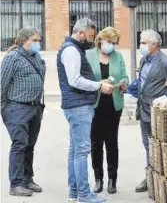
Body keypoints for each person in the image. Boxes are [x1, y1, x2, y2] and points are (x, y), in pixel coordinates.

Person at [57, 18, 112, 203]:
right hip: (79, 106)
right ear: (80, 33)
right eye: (89, 35)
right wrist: (98, 85)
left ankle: (74, 193)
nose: (91, 39)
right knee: (81, 152)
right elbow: (74, 80)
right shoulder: (71, 50)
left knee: (75, 151)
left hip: (76, 105)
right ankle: (84, 195)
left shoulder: (72, 48)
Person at [1, 28, 45, 196]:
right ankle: (16, 183)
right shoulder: (12, 58)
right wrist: (4, 107)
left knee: (29, 145)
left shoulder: (36, 56)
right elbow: (1, 84)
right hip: (16, 108)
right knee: (19, 144)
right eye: (35, 40)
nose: (37, 43)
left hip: (35, 107)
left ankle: (27, 178)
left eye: (38, 40)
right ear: (24, 40)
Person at [86, 27, 128, 194]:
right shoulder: (88, 56)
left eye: (115, 43)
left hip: (113, 105)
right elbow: (85, 79)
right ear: (101, 40)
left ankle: (112, 179)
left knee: (112, 143)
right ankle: (98, 179)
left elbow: (124, 76)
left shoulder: (118, 57)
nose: (112, 46)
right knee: (95, 143)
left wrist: (123, 83)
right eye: (109, 42)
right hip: (94, 105)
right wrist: (99, 85)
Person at [135, 29, 167, 192]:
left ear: (154, 45)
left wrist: (166, 102)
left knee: (160, 146)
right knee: (148, 145)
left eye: (144, 42)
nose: (141, 45)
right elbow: (143, 82)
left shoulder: (166, 62)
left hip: (159, 113)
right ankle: (150, 177)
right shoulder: (143, 60)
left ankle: (164, 177)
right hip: (144, 110)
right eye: (141, 42)